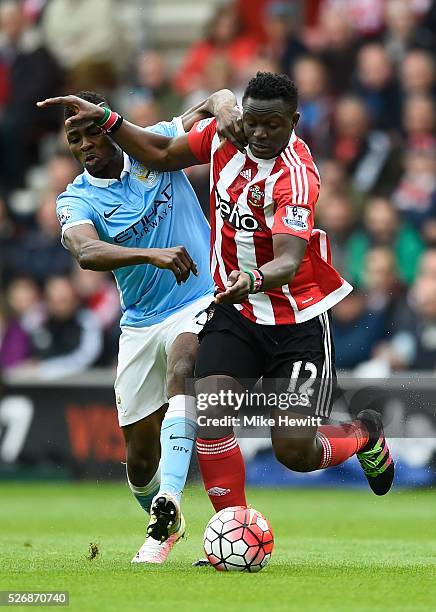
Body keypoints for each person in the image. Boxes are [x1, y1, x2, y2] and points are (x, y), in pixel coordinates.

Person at [39, 72, 395, 522]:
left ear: (294, 122)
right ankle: (232, 528)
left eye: (275, 125)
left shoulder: (298, 176)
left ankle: (363, 434)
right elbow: (165, 150)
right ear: (244, 117)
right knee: (208, 411)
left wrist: (252, 277)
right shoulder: (223, 138)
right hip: (234, 310)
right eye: (255, 123)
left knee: (295, 452)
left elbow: (287, 261)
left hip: (294, 315)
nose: (262, 135)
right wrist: (113, 119)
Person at [38, 88, 244, 563]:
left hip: (200, 297)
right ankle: (161, 507)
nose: (85, 144)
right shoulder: (76, 199)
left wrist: (229, 107)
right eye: (74, 138)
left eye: (91, 130)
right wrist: (150, 254)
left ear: (109, 124)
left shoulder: (154, 144)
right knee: (138, 460)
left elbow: (214, 99)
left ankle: (168, 504)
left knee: (185, 361)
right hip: (139, 323)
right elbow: (86, 252)